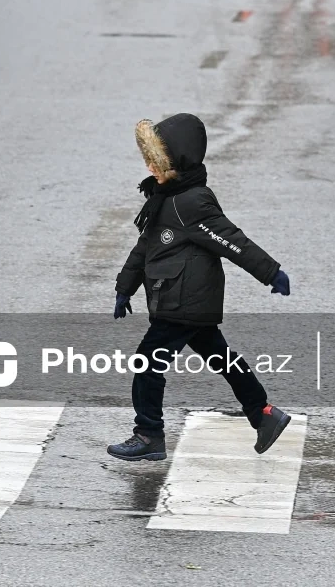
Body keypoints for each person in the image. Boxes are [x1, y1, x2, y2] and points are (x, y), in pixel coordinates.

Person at [109, 114, 293, 462]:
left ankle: (149, 434)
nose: (149, 166)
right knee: (221, 357)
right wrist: (124, 289)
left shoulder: (191, 201)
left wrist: (271, 273)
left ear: (176, 161)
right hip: (184, 298)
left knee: (148, 363)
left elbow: (232, 239)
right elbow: (144, 249)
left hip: (183, 302)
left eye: (156, 160)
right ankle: (263, 414)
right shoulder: (165, 198)